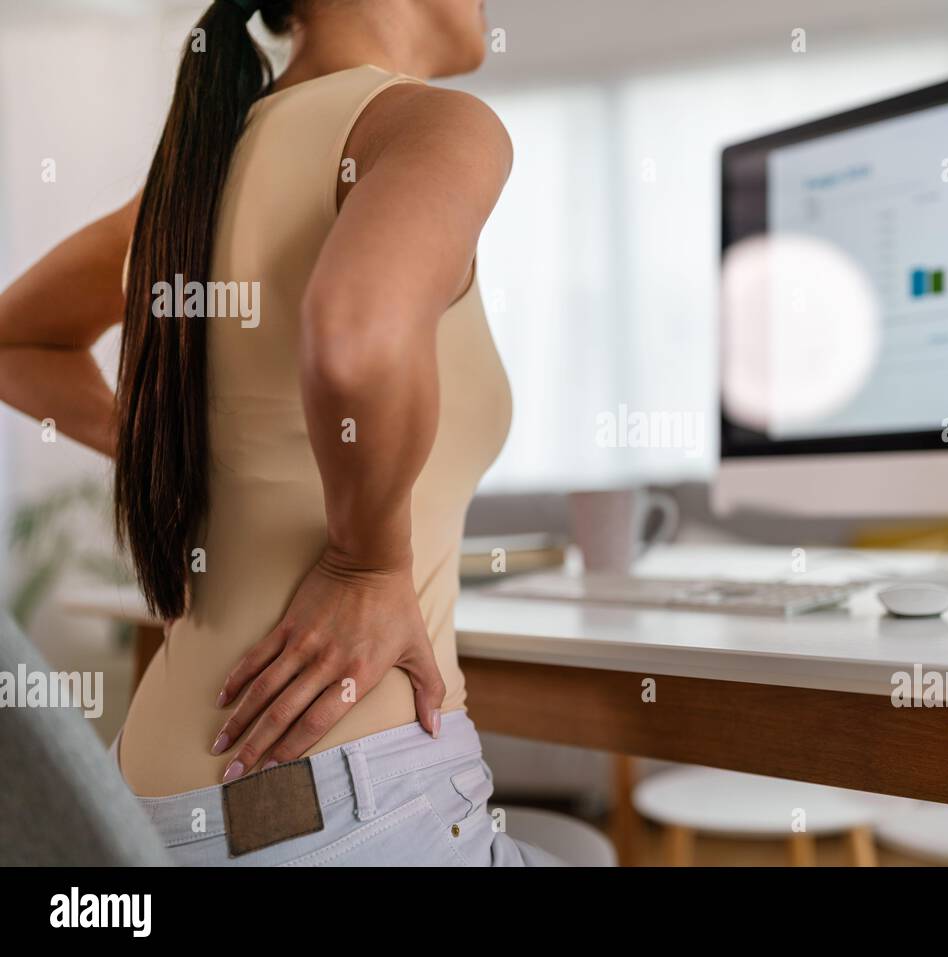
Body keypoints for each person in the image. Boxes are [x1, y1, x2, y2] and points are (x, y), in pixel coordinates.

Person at [0, 0, 562, 866]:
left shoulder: (182, 192)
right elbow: (357, 331)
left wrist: (176, 452)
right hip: (344, 806)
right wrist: (365, 561)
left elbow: (16, 343)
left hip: (142, 813)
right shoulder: (434, 125)